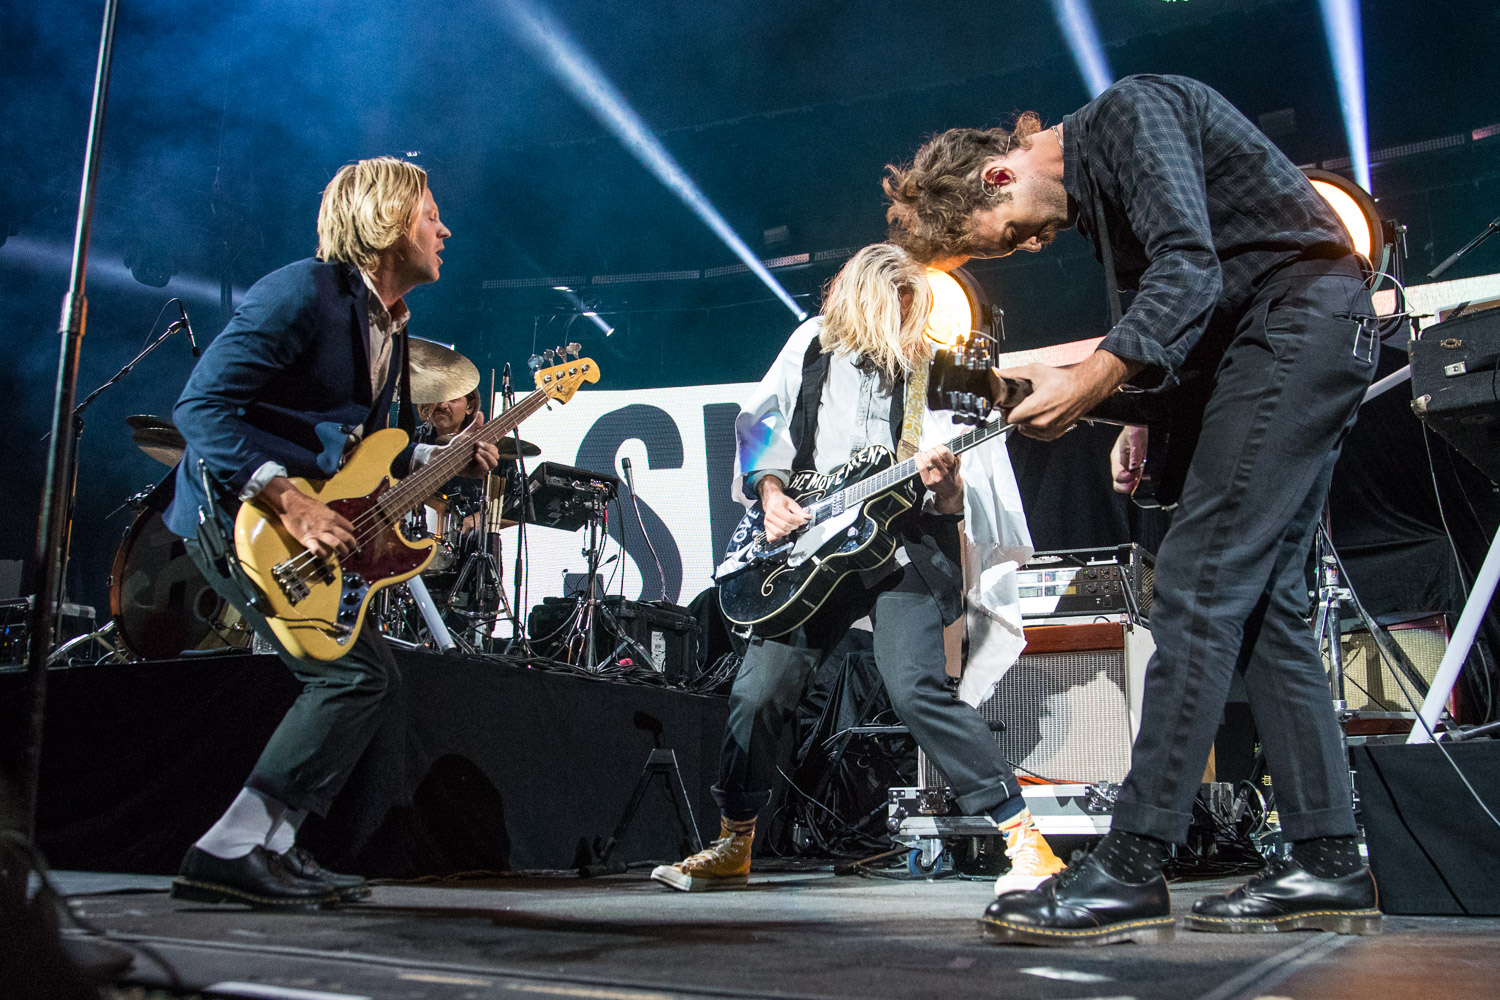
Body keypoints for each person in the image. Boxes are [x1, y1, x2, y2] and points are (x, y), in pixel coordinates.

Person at [885, 74, 1382, 945]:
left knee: (1193, 586)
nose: (1031, 247)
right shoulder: (1105, 205)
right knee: (1271, 609)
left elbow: (1193, 270)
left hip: (1298, 324)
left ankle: (1130, 865)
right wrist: (1128, 407)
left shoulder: (1131, 111)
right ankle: (1329, 862)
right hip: (1290, 337)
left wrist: (1097, 377)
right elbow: (1202, 312)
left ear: (999, 176)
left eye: (1006, 237)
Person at [650, 243, 1061, 894]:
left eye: (911, 313)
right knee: (759, 694)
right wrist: (772, 494)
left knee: (915, 689)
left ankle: (1024, 840)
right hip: (814, 548)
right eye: (893, 312)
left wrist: (948, 491)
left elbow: (957, 492)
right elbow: (760, 423)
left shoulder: (935, 368)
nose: (903, 328)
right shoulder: (813, 344)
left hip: (901, 545)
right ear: (862, 303)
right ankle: (734, 841)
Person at [161, 156, 499, 908]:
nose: (444, 228)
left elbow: (368, 453)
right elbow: (200, 409)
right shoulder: (301, 292)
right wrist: (288, 502)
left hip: (296, 519)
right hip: (240, 515)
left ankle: (270, 846)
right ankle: (227, 847)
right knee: (347, 676)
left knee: (370, 677)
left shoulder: (392, 329)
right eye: (429, 214)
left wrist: (442, 459)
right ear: (384, 220)